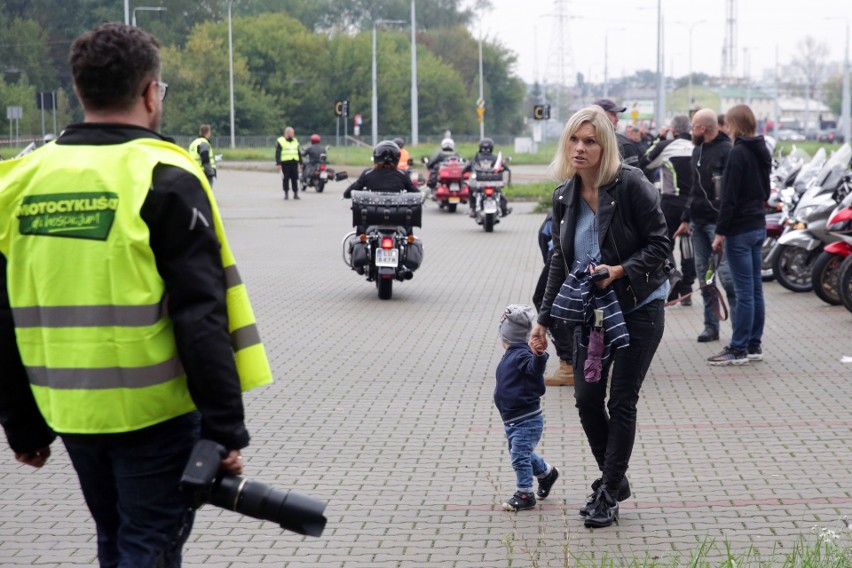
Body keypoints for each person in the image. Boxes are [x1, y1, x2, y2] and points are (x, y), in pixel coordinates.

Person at [0, 23, 272, 567]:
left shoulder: (20, 180)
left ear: (79, 91)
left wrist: (22, 423)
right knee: (147, 545)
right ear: (151, 92)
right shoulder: (163, 174)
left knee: (118, 538)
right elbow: (200, 314)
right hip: (157, 414)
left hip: (70, 410)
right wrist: (223, 429)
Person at [530, 106, 670, 529]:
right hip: (591, 315)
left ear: (604, 146)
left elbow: (660, 244)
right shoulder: (564, 194)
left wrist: (619, 270)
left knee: (621, 400)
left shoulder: (630, 185)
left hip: (639, 306)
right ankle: (617, 479)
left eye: (589, 141)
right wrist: (544, 318)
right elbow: (559, 259)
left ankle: (608, 492)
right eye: (574, 139)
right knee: (587, 398)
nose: (580, 148)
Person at [708, 104, 771, 365]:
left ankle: (738, 348)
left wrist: (720, 232)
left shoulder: (738, 153)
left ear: (735, 124)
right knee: (755, 289)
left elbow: (729, 199)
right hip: (758, 224)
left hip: (740, 230)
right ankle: (754, 344)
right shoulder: (762, 150)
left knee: (745, 291)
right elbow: (767, 190)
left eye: (729, 123)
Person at [673, 109, 738, 343]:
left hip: (718, 225)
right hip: (698, 223)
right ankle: (711, 327)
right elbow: (694, 189)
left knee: (728, 278)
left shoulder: (727, 151)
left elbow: (729, 194)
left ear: (703, 128)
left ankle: (739, 333)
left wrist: (722, 227)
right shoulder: (698, 151)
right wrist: (685, 218)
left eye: (693, 126)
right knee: (705, 278)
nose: (691, 130)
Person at [494, 304, 559, 512]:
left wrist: (539, 356)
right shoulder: (512, 353)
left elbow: (534, 369)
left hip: (526, 419)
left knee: (519, 455)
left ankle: (525, 493)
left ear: (507, 336)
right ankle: (547, 474)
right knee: (520, 452)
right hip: (513, 418)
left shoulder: (522, 355)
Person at [639, 114, 696, 304]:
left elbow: (644, 162)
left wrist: (661, 138)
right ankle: (687, 289)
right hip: (692, 204)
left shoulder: (665, 146)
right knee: (688, 245)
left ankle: (673, 275)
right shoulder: (698, 146)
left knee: (665, 243)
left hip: (670, 203)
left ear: (673, 130)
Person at [532, 210, 574, 387]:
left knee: (544, 300)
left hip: (563, 255)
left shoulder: (567, 195)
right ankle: (589, 360)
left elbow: (545, 236)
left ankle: (569, 364)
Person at [463, 137, 511, 217]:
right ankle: (504, 210)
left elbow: (468, 166)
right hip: (494, 183)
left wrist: (463, 172)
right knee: (500, 193)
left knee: (471, 190)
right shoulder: (495, 158)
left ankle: (472, 209)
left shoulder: (476, 158)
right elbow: (503, 167)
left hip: (480, 183)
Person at [593, 99, 641, 167]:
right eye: (613, 114)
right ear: (600, 115)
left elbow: (633, 176)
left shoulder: (624, 146)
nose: (617, 119)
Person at [275, 126, 302, 199]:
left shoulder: (295, 141)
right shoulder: (281, 141)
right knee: (285, 178)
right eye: (290, 133)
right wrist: (278, 163)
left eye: (292, 133)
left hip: (294, 162)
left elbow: (298, 152)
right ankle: (286, 193)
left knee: (295, 178)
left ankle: (295, 193)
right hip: (285, 163)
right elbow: (278, 153)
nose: (291, 134)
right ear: (286, 133)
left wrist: (301, 162)